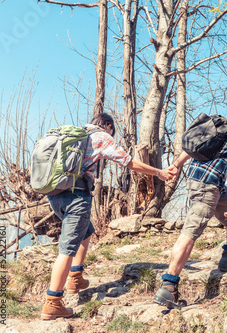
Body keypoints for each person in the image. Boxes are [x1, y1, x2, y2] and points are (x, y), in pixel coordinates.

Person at [41, 113, 176, 320]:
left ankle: (76, 277)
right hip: (77, 195)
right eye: (113, 130)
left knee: (87, 231)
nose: (113, 133)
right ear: (108, 126)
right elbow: (129, 162)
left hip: (55, 194)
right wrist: (158, 172)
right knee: (67, 248)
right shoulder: (102, 136)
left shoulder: (75, 136)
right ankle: (53, 302)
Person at [153, 102, 227, 309]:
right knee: (191, 231)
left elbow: (194, 147)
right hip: (209, 185)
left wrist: (176, 165)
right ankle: (168, 286)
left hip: (201, 179)